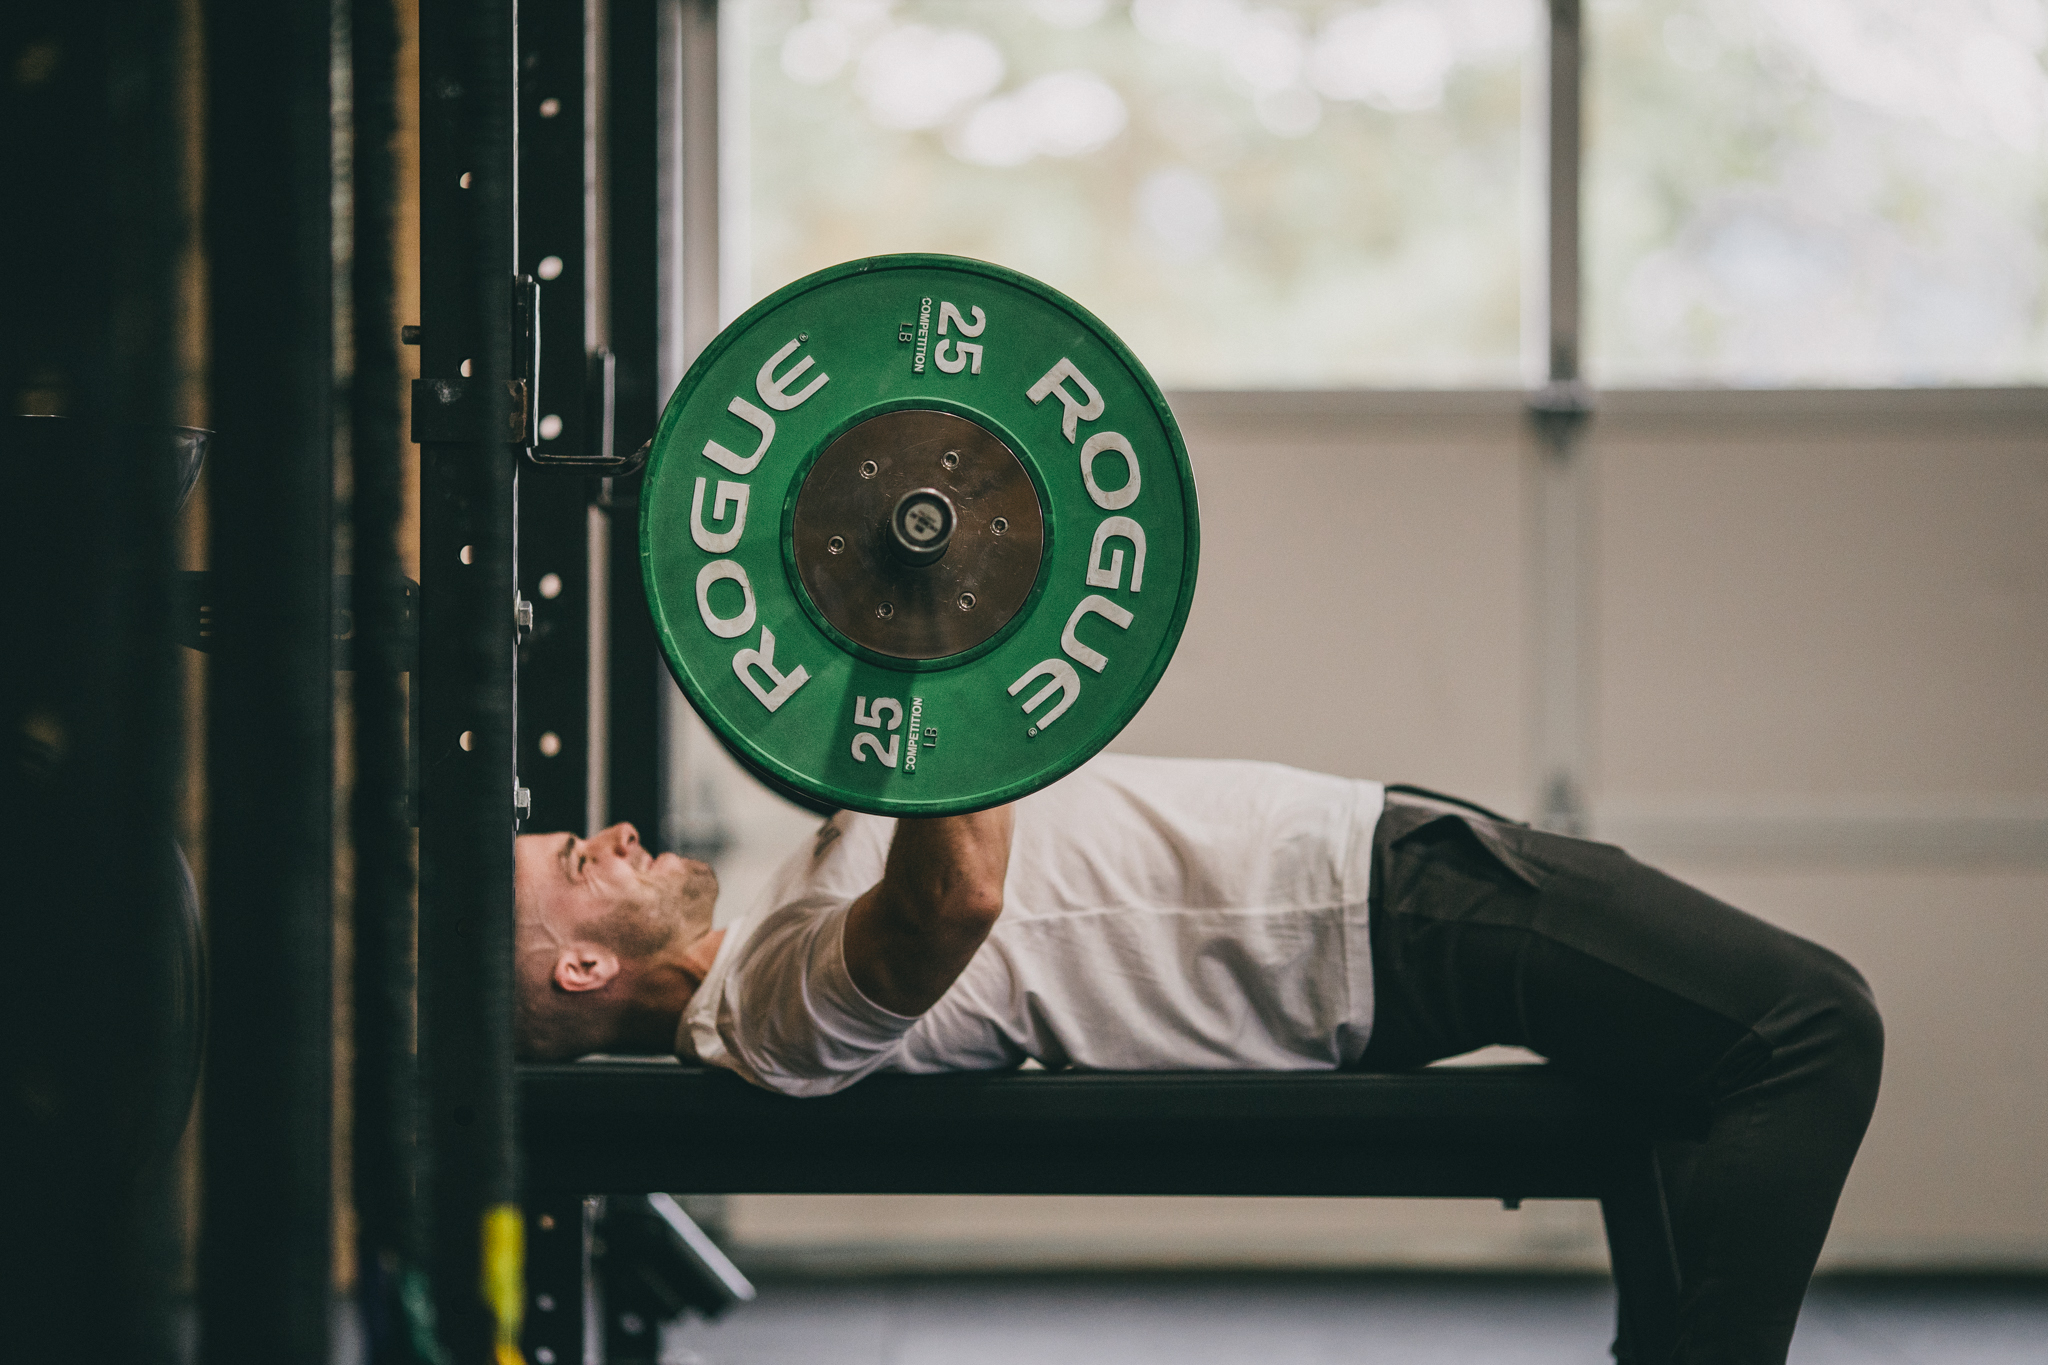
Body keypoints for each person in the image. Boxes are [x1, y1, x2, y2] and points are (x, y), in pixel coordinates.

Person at [514, 753, 1881, 1364]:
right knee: (1809, 1025)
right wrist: (958, 653)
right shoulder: (765, 1006)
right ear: (583, 967)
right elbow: (952, 900)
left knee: (1681, 1074)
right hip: (1372, 916)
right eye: (586, 863)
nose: (618, 831)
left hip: (1374, 877)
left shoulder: (769, 931)